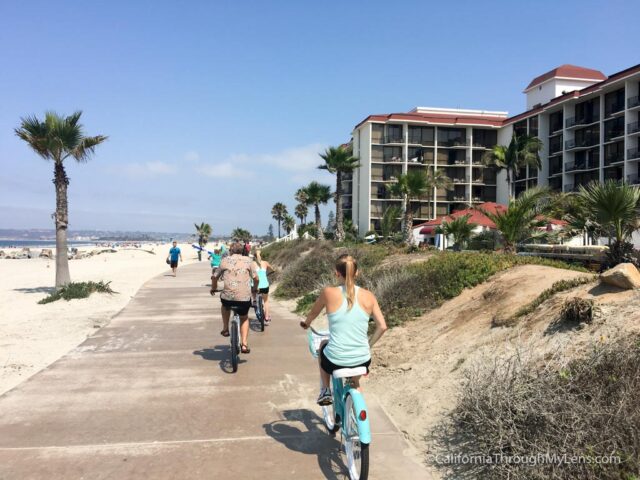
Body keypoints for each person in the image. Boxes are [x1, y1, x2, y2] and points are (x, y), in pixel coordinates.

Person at [300, 254, 387, 405]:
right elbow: (382, 327)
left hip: (335, 360)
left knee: (322, 346)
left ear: (337, 273)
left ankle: (326, 390)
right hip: (363, 359)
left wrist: (306, 323)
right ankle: (356, 405)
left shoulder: (328, 293)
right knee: (355, 384)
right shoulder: (369, 296)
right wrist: (368, 345)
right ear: (357, 272)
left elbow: (313, 314)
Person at [210, 242, 259, 354]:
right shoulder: (249, 261)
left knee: (225, 306)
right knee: (244, 317)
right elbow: (256, 279)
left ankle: (226, 328)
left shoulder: (224, 261)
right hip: (244, 298)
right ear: (242, 251)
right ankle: (244, 345)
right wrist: (254, 289)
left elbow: (214, 277)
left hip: (228, 297)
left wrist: (213, 288)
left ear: (230, 251)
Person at [253, 249, 275, 324]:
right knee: (266, 301)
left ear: (254, 257)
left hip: (256, 285)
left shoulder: (252, 264)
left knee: (253, 290)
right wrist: (271, 271)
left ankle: (254, 301)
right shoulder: (265, 263)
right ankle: (266, 317)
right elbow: (272, 269)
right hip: (265, 284)